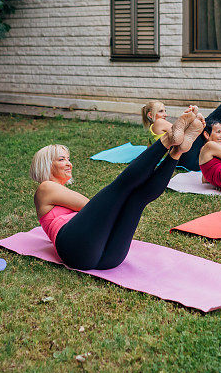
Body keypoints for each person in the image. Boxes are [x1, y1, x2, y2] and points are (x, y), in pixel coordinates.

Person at [32, 107, 205, 270]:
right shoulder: (45, 188)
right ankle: (167, 140)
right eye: (61, 159)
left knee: (137, 199)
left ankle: (177, 152)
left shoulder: (57, 194)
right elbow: (89, 206)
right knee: (120, 188)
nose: (69, 163)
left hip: (110, 257)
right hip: (75, 248)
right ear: (46, 165)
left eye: (68, 159)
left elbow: (98, 212)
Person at [140, 70, 221, 170]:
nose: (165, 114)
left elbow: (151, 152)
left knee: (220, 129)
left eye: (165, 110)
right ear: (151, 115)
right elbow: (181, 132)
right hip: (184, 158)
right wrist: (192, 117)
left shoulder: (154, 130)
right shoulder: (158, 123)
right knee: (212, 121)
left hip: (190, 160)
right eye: (161, 111)